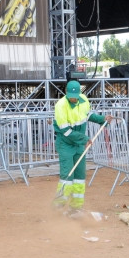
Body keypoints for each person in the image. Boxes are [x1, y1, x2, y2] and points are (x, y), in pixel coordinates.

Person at [51, 80, 112, 216]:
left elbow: (88, 115)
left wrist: (102, 119)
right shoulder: (61, 106)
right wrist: (84, 139)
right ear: (66, 93)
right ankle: (58, 207)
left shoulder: (83, 100)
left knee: (79, 176)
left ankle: (75, 208)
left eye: (76, 96)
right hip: (65, 143)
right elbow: (65, 131)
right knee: (67, 175)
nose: (74, 98)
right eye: (71, 96)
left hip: (79, 145)